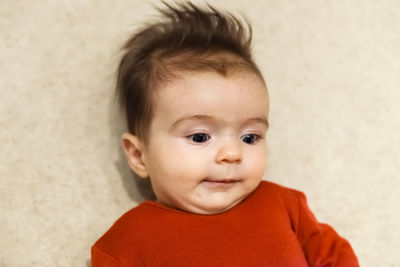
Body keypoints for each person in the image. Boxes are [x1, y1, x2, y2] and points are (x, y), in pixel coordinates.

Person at [91, 2, 359, 266]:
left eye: (249, 138)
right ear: (139, 156)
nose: (232, 154)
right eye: (199, 137)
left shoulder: (284, 205)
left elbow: (336, 257)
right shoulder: (126, 242)